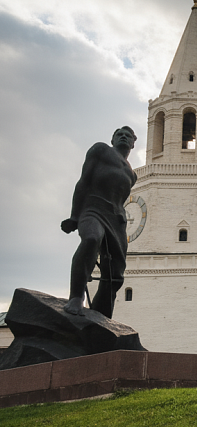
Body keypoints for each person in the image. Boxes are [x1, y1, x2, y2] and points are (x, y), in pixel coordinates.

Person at [61, 127, 137, 317]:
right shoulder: (100, 150)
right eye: (119, 134)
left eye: (128, 136)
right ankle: (76, 298)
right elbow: (83, 182)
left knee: (115, 274)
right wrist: (74, 216)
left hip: (117, 219)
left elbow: (120, 198)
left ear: (133, 144)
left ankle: (101, 315)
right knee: (92, 239)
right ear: (112, 139)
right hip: (93, 209)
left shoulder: (131, 174)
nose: (123, 137)